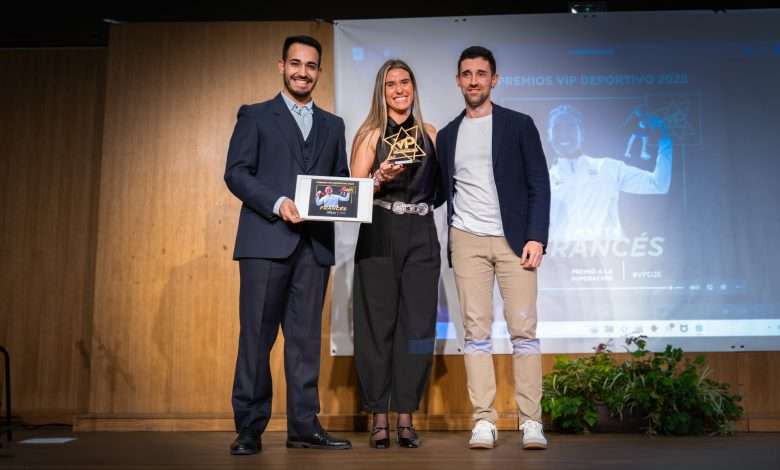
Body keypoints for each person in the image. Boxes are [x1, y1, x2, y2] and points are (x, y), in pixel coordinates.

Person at [224, 35, 351, 455]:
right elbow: (237, 174)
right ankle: (249, 428)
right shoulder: (256, 116)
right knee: (256, 340)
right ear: (282, 66)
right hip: (265, 242)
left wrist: (360, 191)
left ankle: (303, 427)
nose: (302, 71)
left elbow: (338, 183)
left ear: (319, 70)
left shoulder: (334, 125)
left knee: (304, 342)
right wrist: (277, 203)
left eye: (311, 65)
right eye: (295, 63)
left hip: (313, 249)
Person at [436, 46, 551, 450]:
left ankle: (530, 420)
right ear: (457, 80)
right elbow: (441, 189)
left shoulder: (518, 125)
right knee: (476, 333)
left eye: (480, 74)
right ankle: (483, 420)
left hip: (514, 240)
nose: (473, 80)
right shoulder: (448, 134)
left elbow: (539, 184)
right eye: (466, 73)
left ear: (494, 79)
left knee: (524, 332)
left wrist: (537, 236)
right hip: (466, 239)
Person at [350, 59, 441, 449]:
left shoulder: (432, 133)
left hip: (422, 233)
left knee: (417, 328)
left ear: (414, 88)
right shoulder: (370, 135)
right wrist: (378, 178)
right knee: (377, 326)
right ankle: (379, 416)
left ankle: (406, 414)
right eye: (391, 84)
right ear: (381, 90)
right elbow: (352, 197)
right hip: (380, 231)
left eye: (405, 82)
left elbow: (442, 190)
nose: (399, 89)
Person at [547, 104, 672, 242]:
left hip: (607, 259)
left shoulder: (608, 168)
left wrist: (664, 137)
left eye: (571, 127)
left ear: (581, 132)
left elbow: (658, 185)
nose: (564, 134)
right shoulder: (540, 182)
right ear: (549, 134)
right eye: (557, 128)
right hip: (561, 259)